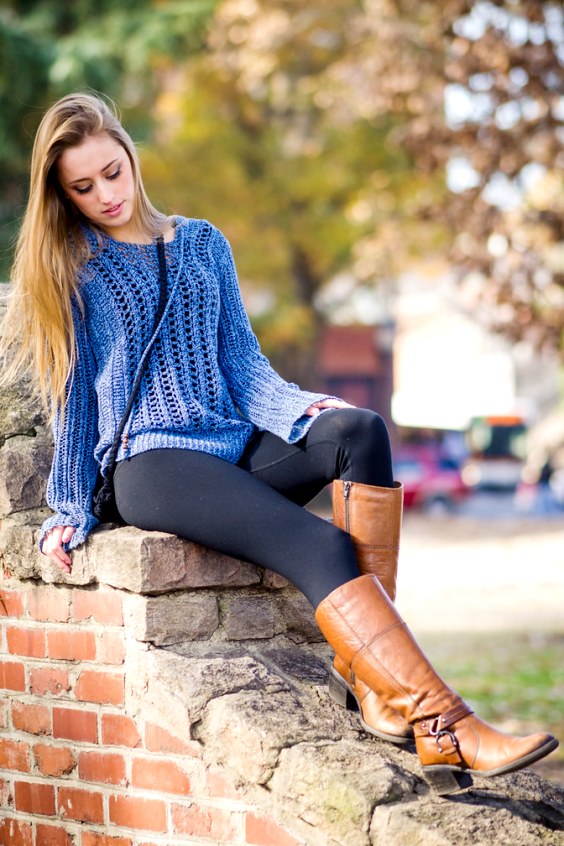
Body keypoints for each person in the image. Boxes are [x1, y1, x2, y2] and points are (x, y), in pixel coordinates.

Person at [1, 92, 557, 796]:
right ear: (62, 194)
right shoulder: (74, 263)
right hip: (151, 465)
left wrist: (303, 410)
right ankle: (443, 722)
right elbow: (73, 393)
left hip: (229, 444)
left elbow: (244, 364)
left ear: (130, 157)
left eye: (112, 172)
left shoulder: (202, 242)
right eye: (82, 187)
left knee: (359, 429)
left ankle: (375, 687)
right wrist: (70, 503)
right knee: (320, 545)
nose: (105, 195)